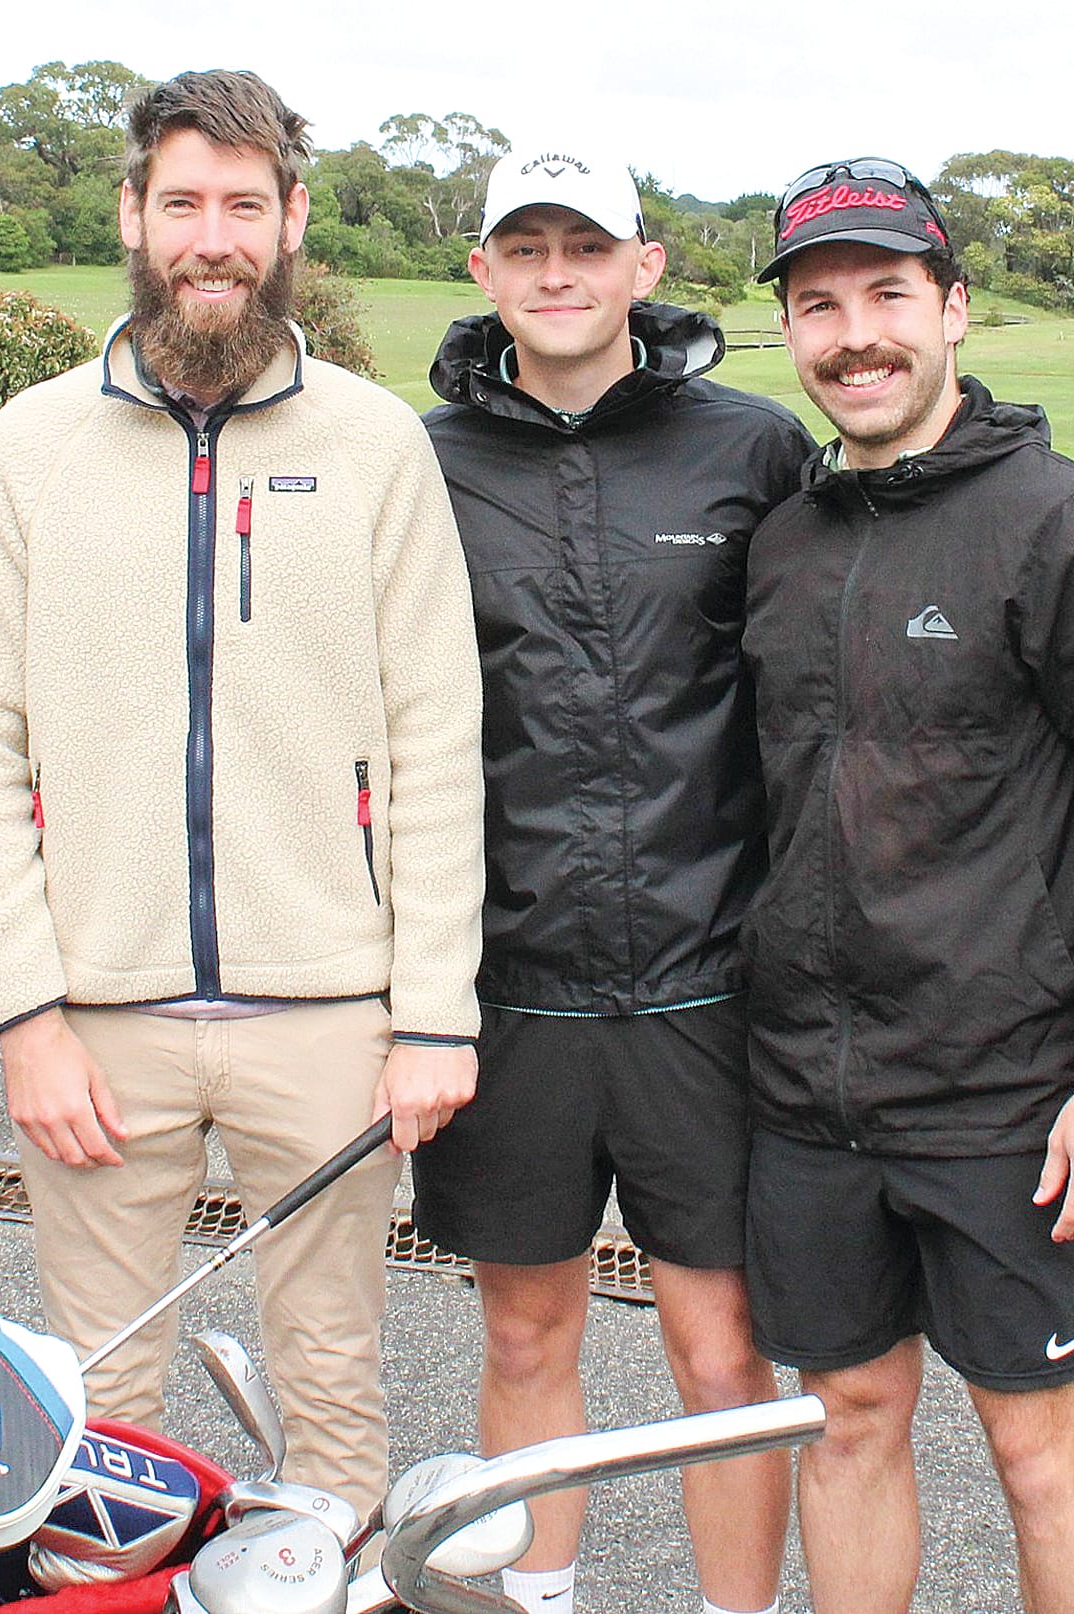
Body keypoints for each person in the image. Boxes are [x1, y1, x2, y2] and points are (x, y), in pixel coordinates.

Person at [0, 69, 484, 1518]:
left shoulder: (372, 445)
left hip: (329, 1014)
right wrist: (25, 1013)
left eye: (245, 205)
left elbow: (434, 737)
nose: (212, 237)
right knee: (97, 1397)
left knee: (332, 1379)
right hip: (96, 1024)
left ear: (291, 220)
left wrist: (431, 1010)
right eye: (183, 204)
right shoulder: (30, 447)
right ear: (133, 214)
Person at [742, 158, 1074, 1614]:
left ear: (951, 307)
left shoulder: (1066, 525)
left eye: (886, 294)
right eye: (819, 307)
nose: (855, 336)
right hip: (806, 1097)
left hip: (1006, 1097)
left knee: (1036, 1452)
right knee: (845, 1424)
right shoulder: (783, 543)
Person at [412, 145, 814, 1614]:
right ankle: (539, 1593)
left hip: (707, 983)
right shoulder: (423, 463)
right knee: (525, 1335)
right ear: (485, 274)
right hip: (508, 984)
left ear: (646, 267)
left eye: (588, 245)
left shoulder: (753, 450)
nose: (557, 273)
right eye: (525, 247)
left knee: (718, 1341)